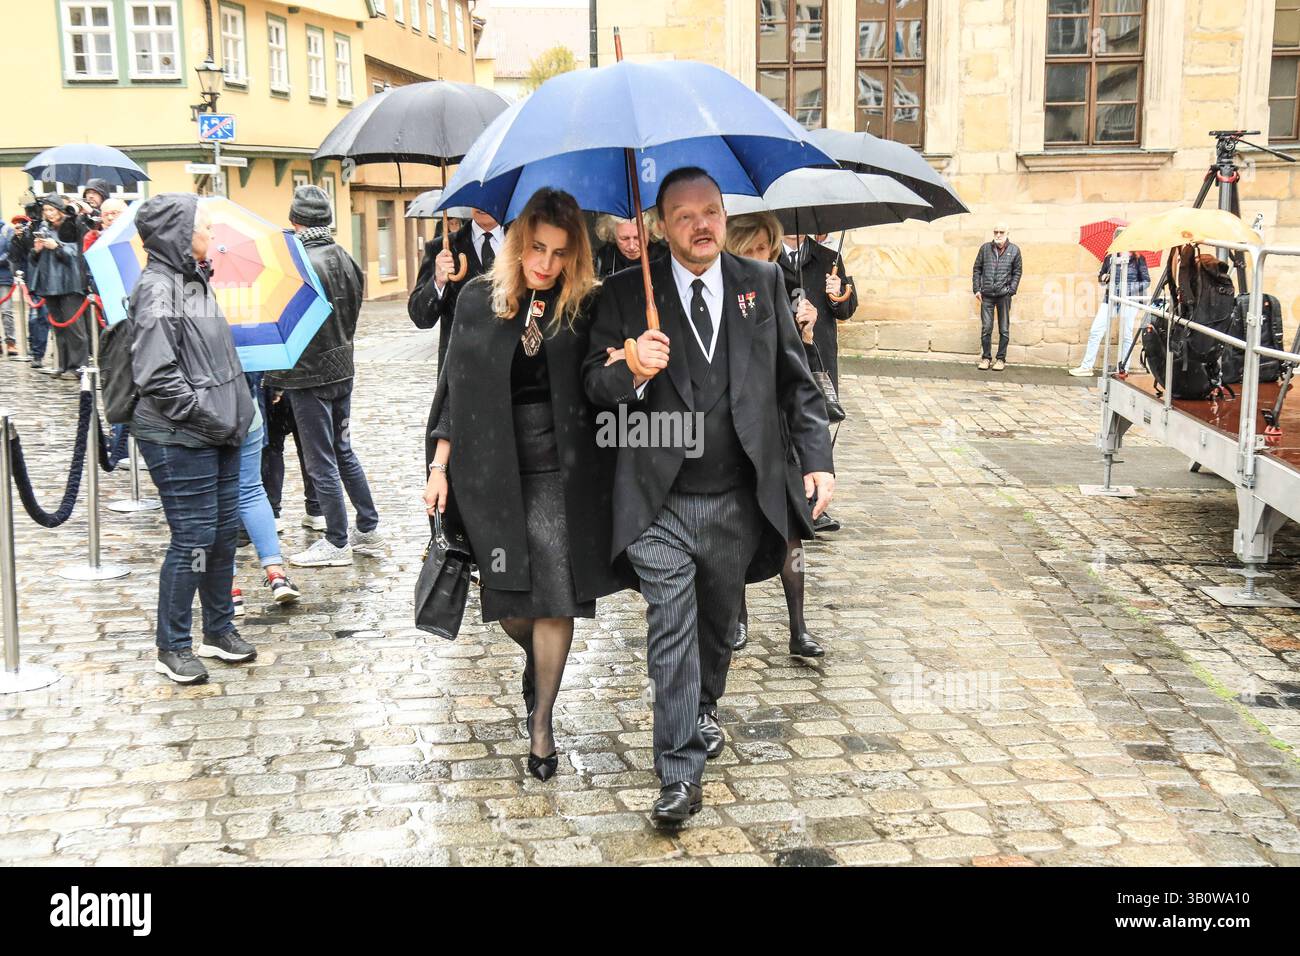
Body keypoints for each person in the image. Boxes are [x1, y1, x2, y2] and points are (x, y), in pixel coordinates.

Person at [584, 167, 834, 826]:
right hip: (656, 500)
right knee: (671, 630)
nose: (701, 225)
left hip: (736, 498)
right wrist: (629, 366)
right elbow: (593, 388)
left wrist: (817, 460)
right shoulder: (623, 294)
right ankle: (678, 773)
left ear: (725, 217)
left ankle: (701, 707)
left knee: (719, 629)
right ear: (662, 225)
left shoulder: (762, 283)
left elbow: (795, 382)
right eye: (685, 214)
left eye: (711, 212)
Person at [423, 187, 629, 781]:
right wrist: (440, 469)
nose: (546, 263)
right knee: (512, 602)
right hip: (493, 469)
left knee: (556, 597)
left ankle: (541, 726)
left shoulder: (584, 305)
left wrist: (626, 364)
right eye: (537, 248)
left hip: (563, 470)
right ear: (518, 244)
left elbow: (597, 381)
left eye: (561, 253)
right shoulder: (474, 302)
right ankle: (538, 663)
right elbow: (453, 392)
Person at [129, 192, 257, 684]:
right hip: (180, 437)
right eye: (204, 227)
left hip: (218, 430)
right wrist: (211, 419)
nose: (212, 235)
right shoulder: (158, 289)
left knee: (222, 533)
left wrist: (234, 415)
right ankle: (173, 644)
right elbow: (158, 377)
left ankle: (218, 629)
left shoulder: (194, 282)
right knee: (193, 539)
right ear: (180, 235)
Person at [725, 213, 827, 659]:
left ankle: (799, 627)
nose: (760, 258)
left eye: (766, 249)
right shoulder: (717, 294)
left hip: (774, 433)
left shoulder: (778, 289)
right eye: (750, 249)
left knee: (789, 536)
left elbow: (797, 375)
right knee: (735, 533)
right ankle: (737, 617)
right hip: (729, 435)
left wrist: (806, 329)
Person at [267, 186, 382, 568]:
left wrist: (276, 379)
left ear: (295, 221)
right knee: (343, 450)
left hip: (309, 374)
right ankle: (366, 526)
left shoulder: (299, 263)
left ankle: (336, 541)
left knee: (321, 461)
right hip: (341, 367)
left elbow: (291, 325)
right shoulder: (345, 258)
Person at [409, 207, 508, 483]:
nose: (482, 201)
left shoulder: (524, 242)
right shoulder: (443, 249)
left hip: (512, 374)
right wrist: (438, 281)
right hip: (461, 377)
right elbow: (420, 315)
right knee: (465, 469)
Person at [778, 230, 856, 536]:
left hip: (818, 356)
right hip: (784, 357)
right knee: (787, 424)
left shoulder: (829, 260)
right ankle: (795, 496)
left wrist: (837, 293)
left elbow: (846, 309)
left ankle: (815, 501)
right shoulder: (765, 259)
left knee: (816, 422)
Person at [232, 372, 302, 612]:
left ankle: (228, 589)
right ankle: (277, 575)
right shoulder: (242, 331)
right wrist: (275, 387)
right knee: (251, 491)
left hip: (198, 414)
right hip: (244, 406)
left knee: (208, 500)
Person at [28, 195, 87, 378]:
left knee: (74, 327)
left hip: (69, 282)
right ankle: (63, 364)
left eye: (51, 210)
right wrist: (36, 251)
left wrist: (57, 246)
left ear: (60, 210)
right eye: (46, 210)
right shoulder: (44, 228)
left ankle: (78, 366)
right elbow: (35, 260)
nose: (48, 214)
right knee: (58, 327)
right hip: (49, 282)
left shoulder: (73, 225)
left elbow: (76, 253)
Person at [1070, 251, 1151, 377]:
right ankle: (1086, 367)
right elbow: (1101, 277)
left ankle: (1124, 369)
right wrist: (1103, 278)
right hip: (1111, 298)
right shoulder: (1110, 257)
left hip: (1129, 300)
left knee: (1126, 335)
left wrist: (1127, 288)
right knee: (1096, 331)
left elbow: (1146, 281)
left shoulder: (1139, 259)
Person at [972, 222, 1022, 371]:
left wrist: (1011, 290)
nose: (998, 235)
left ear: (1007, 233)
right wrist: (977, 289)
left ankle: (1001, 359)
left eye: (1001, 232)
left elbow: (1017, 272)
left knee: (1004, 329)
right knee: (986, 328)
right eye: (995, 232)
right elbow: (977, 269)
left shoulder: (1014, 250)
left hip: (1003, 295)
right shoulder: (985, 248)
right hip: (986, 295)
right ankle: (986, 358)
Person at [593, 214, 668, 277]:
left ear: (650, 232)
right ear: (613, 235)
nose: (631, 246)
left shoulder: (667, 259)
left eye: (638, 238)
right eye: (624, 238)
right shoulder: (601, 260)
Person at [0, 218, 15, 356]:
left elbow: (10, 251)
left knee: (6, 311)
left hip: (4, 276)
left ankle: (11, 342)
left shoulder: (7, 230)